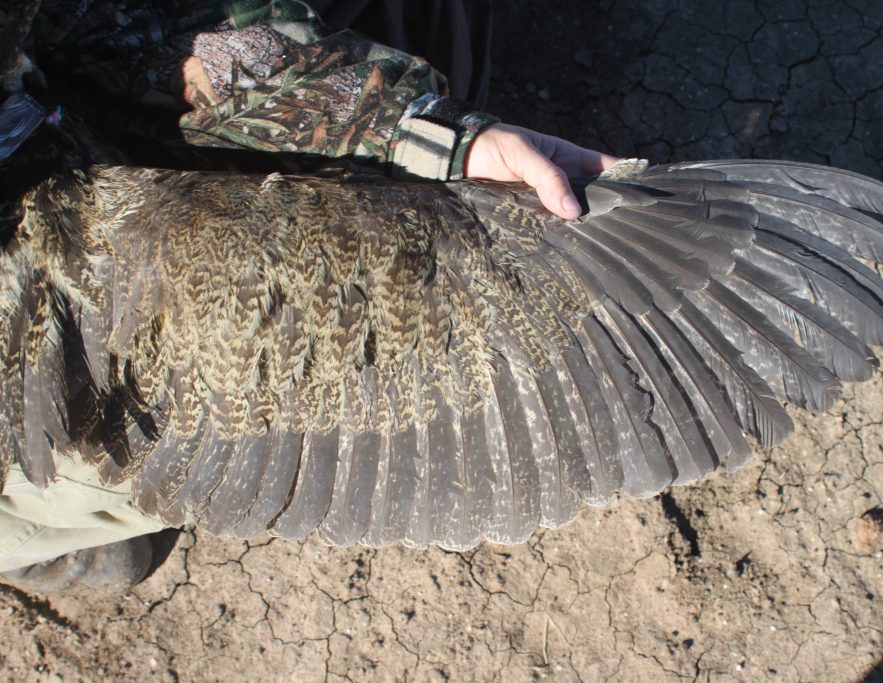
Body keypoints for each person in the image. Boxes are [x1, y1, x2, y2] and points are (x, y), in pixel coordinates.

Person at [0, 0, 616, 593]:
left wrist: (420, 132)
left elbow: (113, 21)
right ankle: (39, 541)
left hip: (60, 149)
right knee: (122, 461)